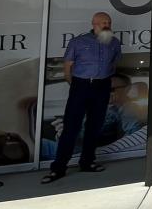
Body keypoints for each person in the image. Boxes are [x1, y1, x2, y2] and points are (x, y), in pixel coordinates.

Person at [43, 11, 122, 184]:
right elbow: (67, 68)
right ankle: (59, 168)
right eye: (103, 22)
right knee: (71, 127)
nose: (106, 24)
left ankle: (87, 162)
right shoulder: (78, 42)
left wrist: (105, 82)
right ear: (94, 23)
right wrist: (77, 85)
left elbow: (114, 64)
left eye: (108, 22)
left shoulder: (114, 43)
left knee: (95, 126)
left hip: (102, 86)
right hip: (81, 85)